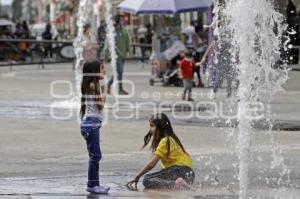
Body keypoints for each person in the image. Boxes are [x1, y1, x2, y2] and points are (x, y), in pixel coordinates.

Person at [126, 113, 195, 190]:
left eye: (152, 126)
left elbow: (151, 165)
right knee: (156, 177)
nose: (150, 129)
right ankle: (180, 183)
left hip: (179, 170)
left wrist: (137, 176)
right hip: (189, 174)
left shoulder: (165, 141)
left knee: (147, 179)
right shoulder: (172, 138)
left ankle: (176, 184)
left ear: (160, 127)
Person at [80, 60, 110, 194]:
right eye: (102, 68)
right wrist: (105, 90)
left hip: (90, 123)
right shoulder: (93, 86)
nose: (104, 71)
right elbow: (101, 105)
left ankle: (95, 184)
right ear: (95, 71)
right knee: (95, 156)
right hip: (91, 124)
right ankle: (92, 185)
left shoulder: (92, 84)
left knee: (95, 156)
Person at [105, 14, 130, 95]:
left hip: (123, 54)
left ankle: (108, 85)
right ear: (117, 20)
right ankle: (120, 89)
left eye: (123, 20)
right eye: (121, 20)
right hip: (116, 55)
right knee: (120, 71)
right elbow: (108, 43)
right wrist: (106, 55)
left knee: (117, 72)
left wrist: (128, 49)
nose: (123, 21)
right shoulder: (113, 31)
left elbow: (127, 40)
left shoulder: (124, 30)